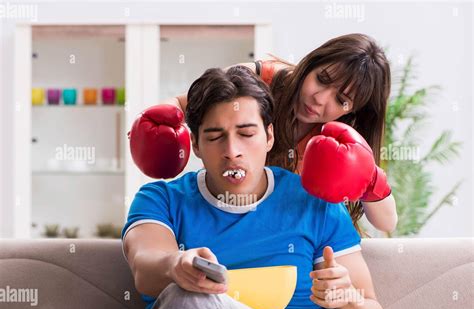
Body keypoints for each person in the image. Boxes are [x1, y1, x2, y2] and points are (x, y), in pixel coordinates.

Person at [122, 65, 384, 309]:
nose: (232, 150)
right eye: (215, 137)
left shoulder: (314, 206)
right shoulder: (162, 199)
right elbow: (145, 266)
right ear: (196, 145)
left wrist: (347, 297)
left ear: (269, 136)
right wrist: (176, 265)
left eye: (246, 133)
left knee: (192, 297)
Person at [129, 33, 397, 234]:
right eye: (322, 79)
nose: (319, 98)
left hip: (285, 235)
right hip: (223, 215)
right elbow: (184, 103)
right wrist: (154, 125)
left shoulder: (341, 139)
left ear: (353, 111)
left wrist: (367, 174)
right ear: (310, 64)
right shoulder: (260, 79)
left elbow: (387, 222)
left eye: (341, 100)